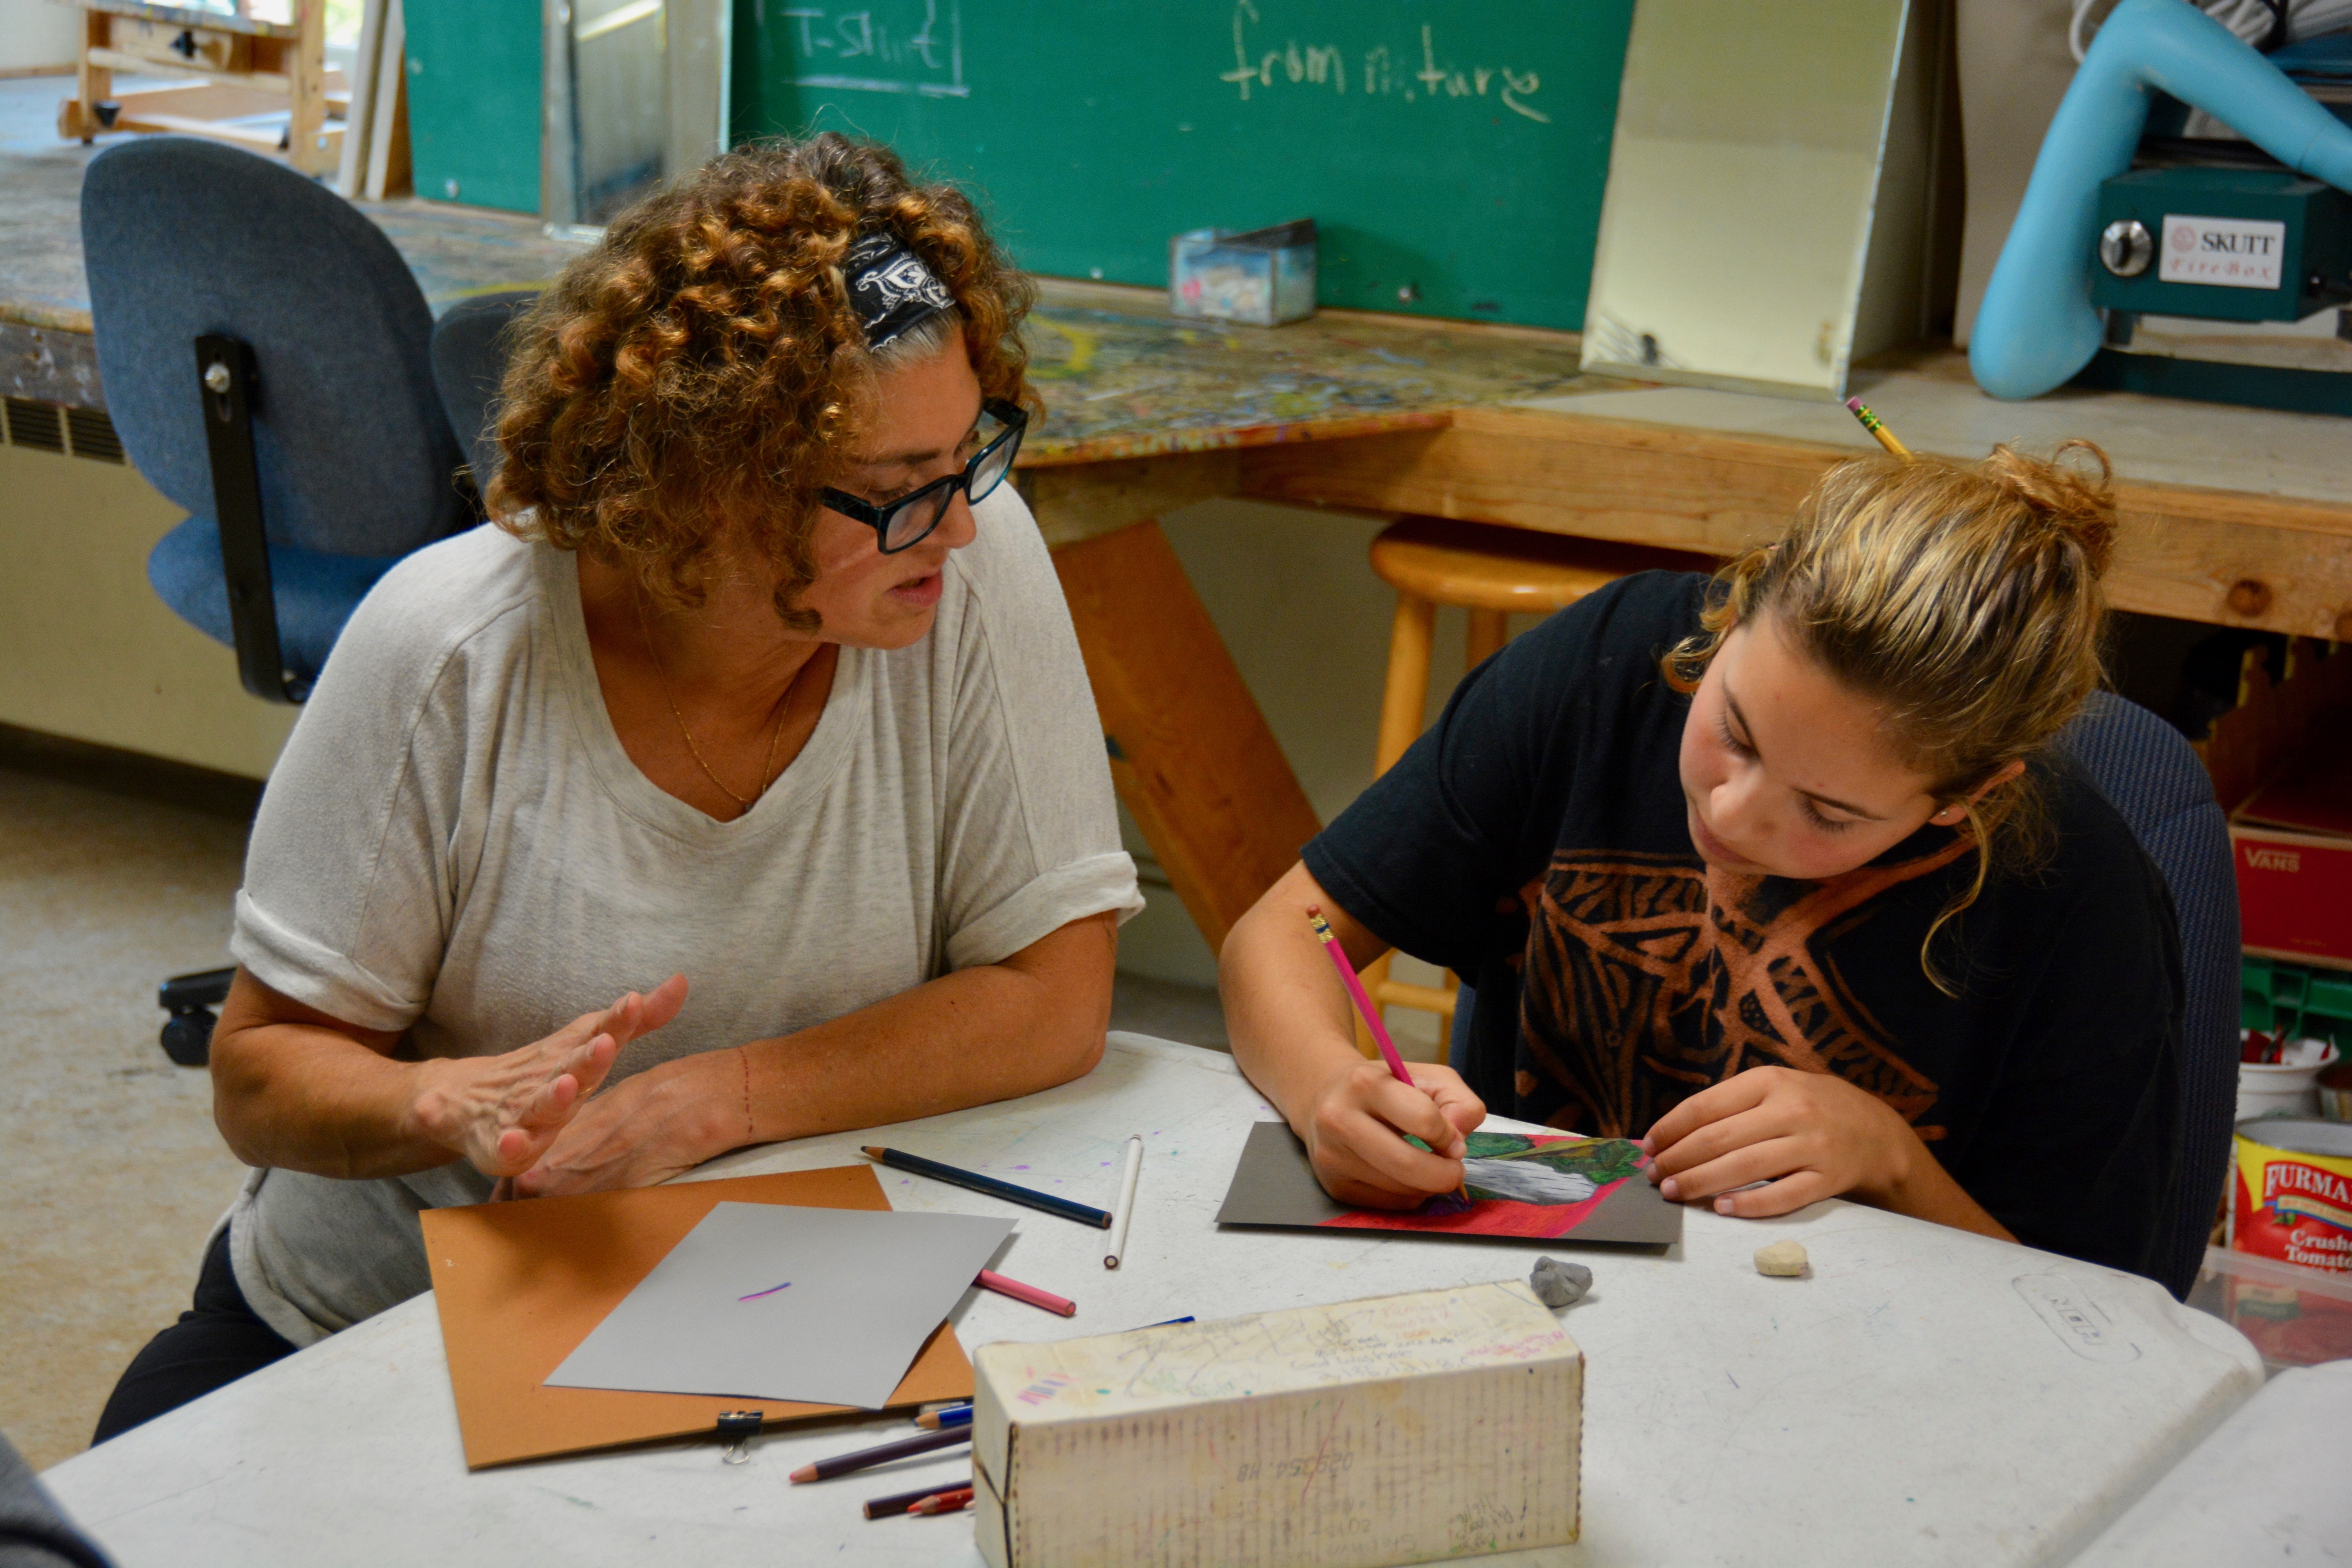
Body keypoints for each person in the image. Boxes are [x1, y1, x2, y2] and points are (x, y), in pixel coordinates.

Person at [94, 135, 1140, 1440]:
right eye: (893, 495)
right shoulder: (452, 650)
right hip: (391, 1319)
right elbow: (257, 1076)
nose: (962, 526)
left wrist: (710, 1103)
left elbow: (1055, 997)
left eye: (968, 459)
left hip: (773, 1303)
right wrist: (444, 1104)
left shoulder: (960, 565)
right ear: (706, 489)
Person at [1221, 443, 2181, 1278]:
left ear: (1970, 797)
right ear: (1734, 613)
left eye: (1829, 811)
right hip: (1538, 1285)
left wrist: (1891, 1159)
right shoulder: (1602, 672)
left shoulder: (2079, 902)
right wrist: (1327, 1088)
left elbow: (2086, 1317)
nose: (1734, 811)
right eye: (1737, 730)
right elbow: (1279, 932)